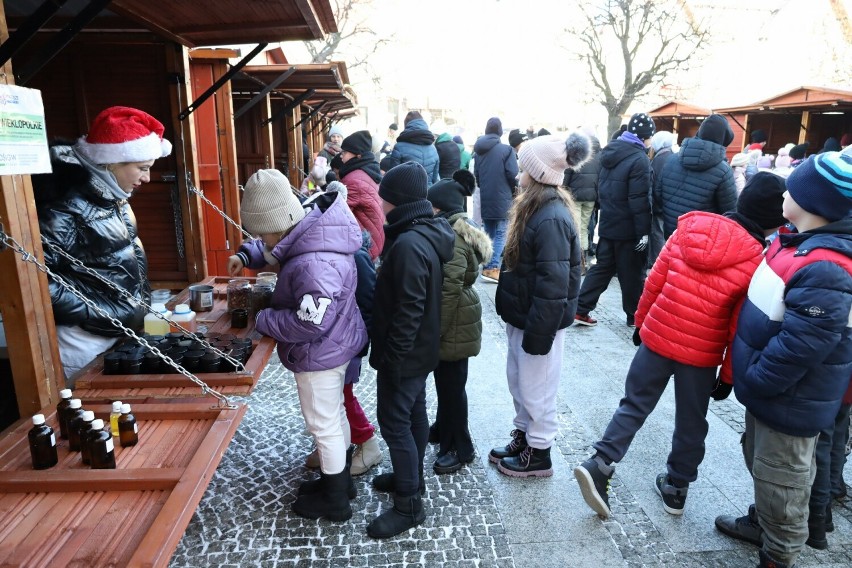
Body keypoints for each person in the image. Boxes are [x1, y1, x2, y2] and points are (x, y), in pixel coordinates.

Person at [574, 173, 788, 520]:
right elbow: (740, 328)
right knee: (692, 420)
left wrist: (642, 322)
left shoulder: (689, 230)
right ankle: (676, 486)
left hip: (657, 337)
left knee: (633, 404)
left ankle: (600, 463)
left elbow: (654, 279)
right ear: (772, 224)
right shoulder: (756, 261)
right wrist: (729, 375)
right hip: (700, 356)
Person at [714, 152, 852, 568]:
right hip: (771, 391)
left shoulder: (826, 266)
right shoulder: (797, 243)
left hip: (789, 396)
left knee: (783, 480)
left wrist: (755, 378)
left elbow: (804, 344)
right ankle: (765, 523)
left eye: (794, 188)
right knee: (763, 462)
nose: (785, 191)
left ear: (815, 203)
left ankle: (779, 553)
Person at [228, 169, 367, 523]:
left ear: (277, 223)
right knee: (333, 417)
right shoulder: (309, 230)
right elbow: (277, 250)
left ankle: (335, 501)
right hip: (336, 343)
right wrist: (249, 255)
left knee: (323, 424)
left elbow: (310, 322)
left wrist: (263, 320)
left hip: (320, 351)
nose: (262, 240)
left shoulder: (312, 261)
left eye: (262, 232)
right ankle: (338, 484)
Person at [33, 106, 172, 381]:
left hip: (118, 329)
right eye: (142, 168)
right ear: (111, 162)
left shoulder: (113, 195)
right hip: (84, 340)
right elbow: (36, 276)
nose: (146, 178)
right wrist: (99, 310)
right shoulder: (65, 206)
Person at [489, 132, 591, 478]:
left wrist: (540, 332)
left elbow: (554, 283)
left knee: (538, 387)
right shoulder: (536, 208)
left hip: (539, 321)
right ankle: (524, 435)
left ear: (539, 174)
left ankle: (540, 449)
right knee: (519, 381)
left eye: (523, 170)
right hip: (525, 315)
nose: (518, 176)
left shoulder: (550, 216)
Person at [367, 162, 454, 539]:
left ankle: (409, 504)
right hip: (421, 352)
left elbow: (408, 311)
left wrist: (392, 360)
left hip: (405, 355)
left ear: (396, 202)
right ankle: (411, 477)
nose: (379, 204)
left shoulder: (408, 245)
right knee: (414, 414)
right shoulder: (426, 231)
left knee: (395, 424)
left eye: (383, 197)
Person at [299, 181, 383, 478]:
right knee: (334, 397)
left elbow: (369, 304)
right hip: (335, 341)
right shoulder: (339, 247)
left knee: (342, 396)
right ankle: (336, 448)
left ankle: (367, 443)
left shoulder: (355, 254)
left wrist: (361, 345)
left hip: (346, 343)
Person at [426, 170, 491, 474]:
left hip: (454, 323)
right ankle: (442, 428)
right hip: (460, 318)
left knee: (453, 387)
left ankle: (461, 447)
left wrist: (435, 330)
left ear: (440, 208)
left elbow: (449, 288)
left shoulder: (451, 235)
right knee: (448, 382)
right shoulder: (458, 227)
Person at [573, 112, 654, 328]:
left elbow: (603, 189)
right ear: (644, 137)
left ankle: (580, 308)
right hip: (628, 228)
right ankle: (635, 316)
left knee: (602, 268)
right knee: (632, 274)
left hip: (609, 223)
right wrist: (643, 233)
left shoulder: (609, 153)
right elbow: (639, 201)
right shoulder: (639, 159)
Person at [654, 114, 738, 240]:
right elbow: (730, 214)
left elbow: (658, 196)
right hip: (702, 241)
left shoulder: (670, 160)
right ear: (724, 139)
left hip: (671, 236)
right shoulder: (723, 171)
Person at [473, 117, 519, 283]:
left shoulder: (478, 152)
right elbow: (513, 175)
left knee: (490, 233)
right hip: (503, 198)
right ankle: (492, 268)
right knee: (501, 233)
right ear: (500, 131)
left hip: (487, 197)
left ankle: (486, 265)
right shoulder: (506, 150)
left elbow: (477, 177)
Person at [337, 130, 385, 261]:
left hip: (365, 247)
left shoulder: (354, 180)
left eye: (345, 152)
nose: (341, 156)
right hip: (372, 239)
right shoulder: (365, 171)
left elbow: (337, 214)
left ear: (358, 155)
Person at [564, 131, 601, 268]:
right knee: (584, 228)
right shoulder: (599, 158)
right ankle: (583, 260)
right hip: (591, 198)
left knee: (576, 228)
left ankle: (577, 262)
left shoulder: (576, 155)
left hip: (575, 196)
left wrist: (563, 191)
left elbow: (567, 176)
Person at [647, 131, 677, 267]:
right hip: (670, 204)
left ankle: (658, 264)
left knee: (657, 234)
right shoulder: (673, 156)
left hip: (659, 205)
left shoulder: (660, 158)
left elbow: (655, 184)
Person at [390, 111, 440, 184]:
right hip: (428, 192)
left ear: (406, 125)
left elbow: (393, 178)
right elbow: (435, 179)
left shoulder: (399, 147)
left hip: (406, 193)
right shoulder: (433, 148)